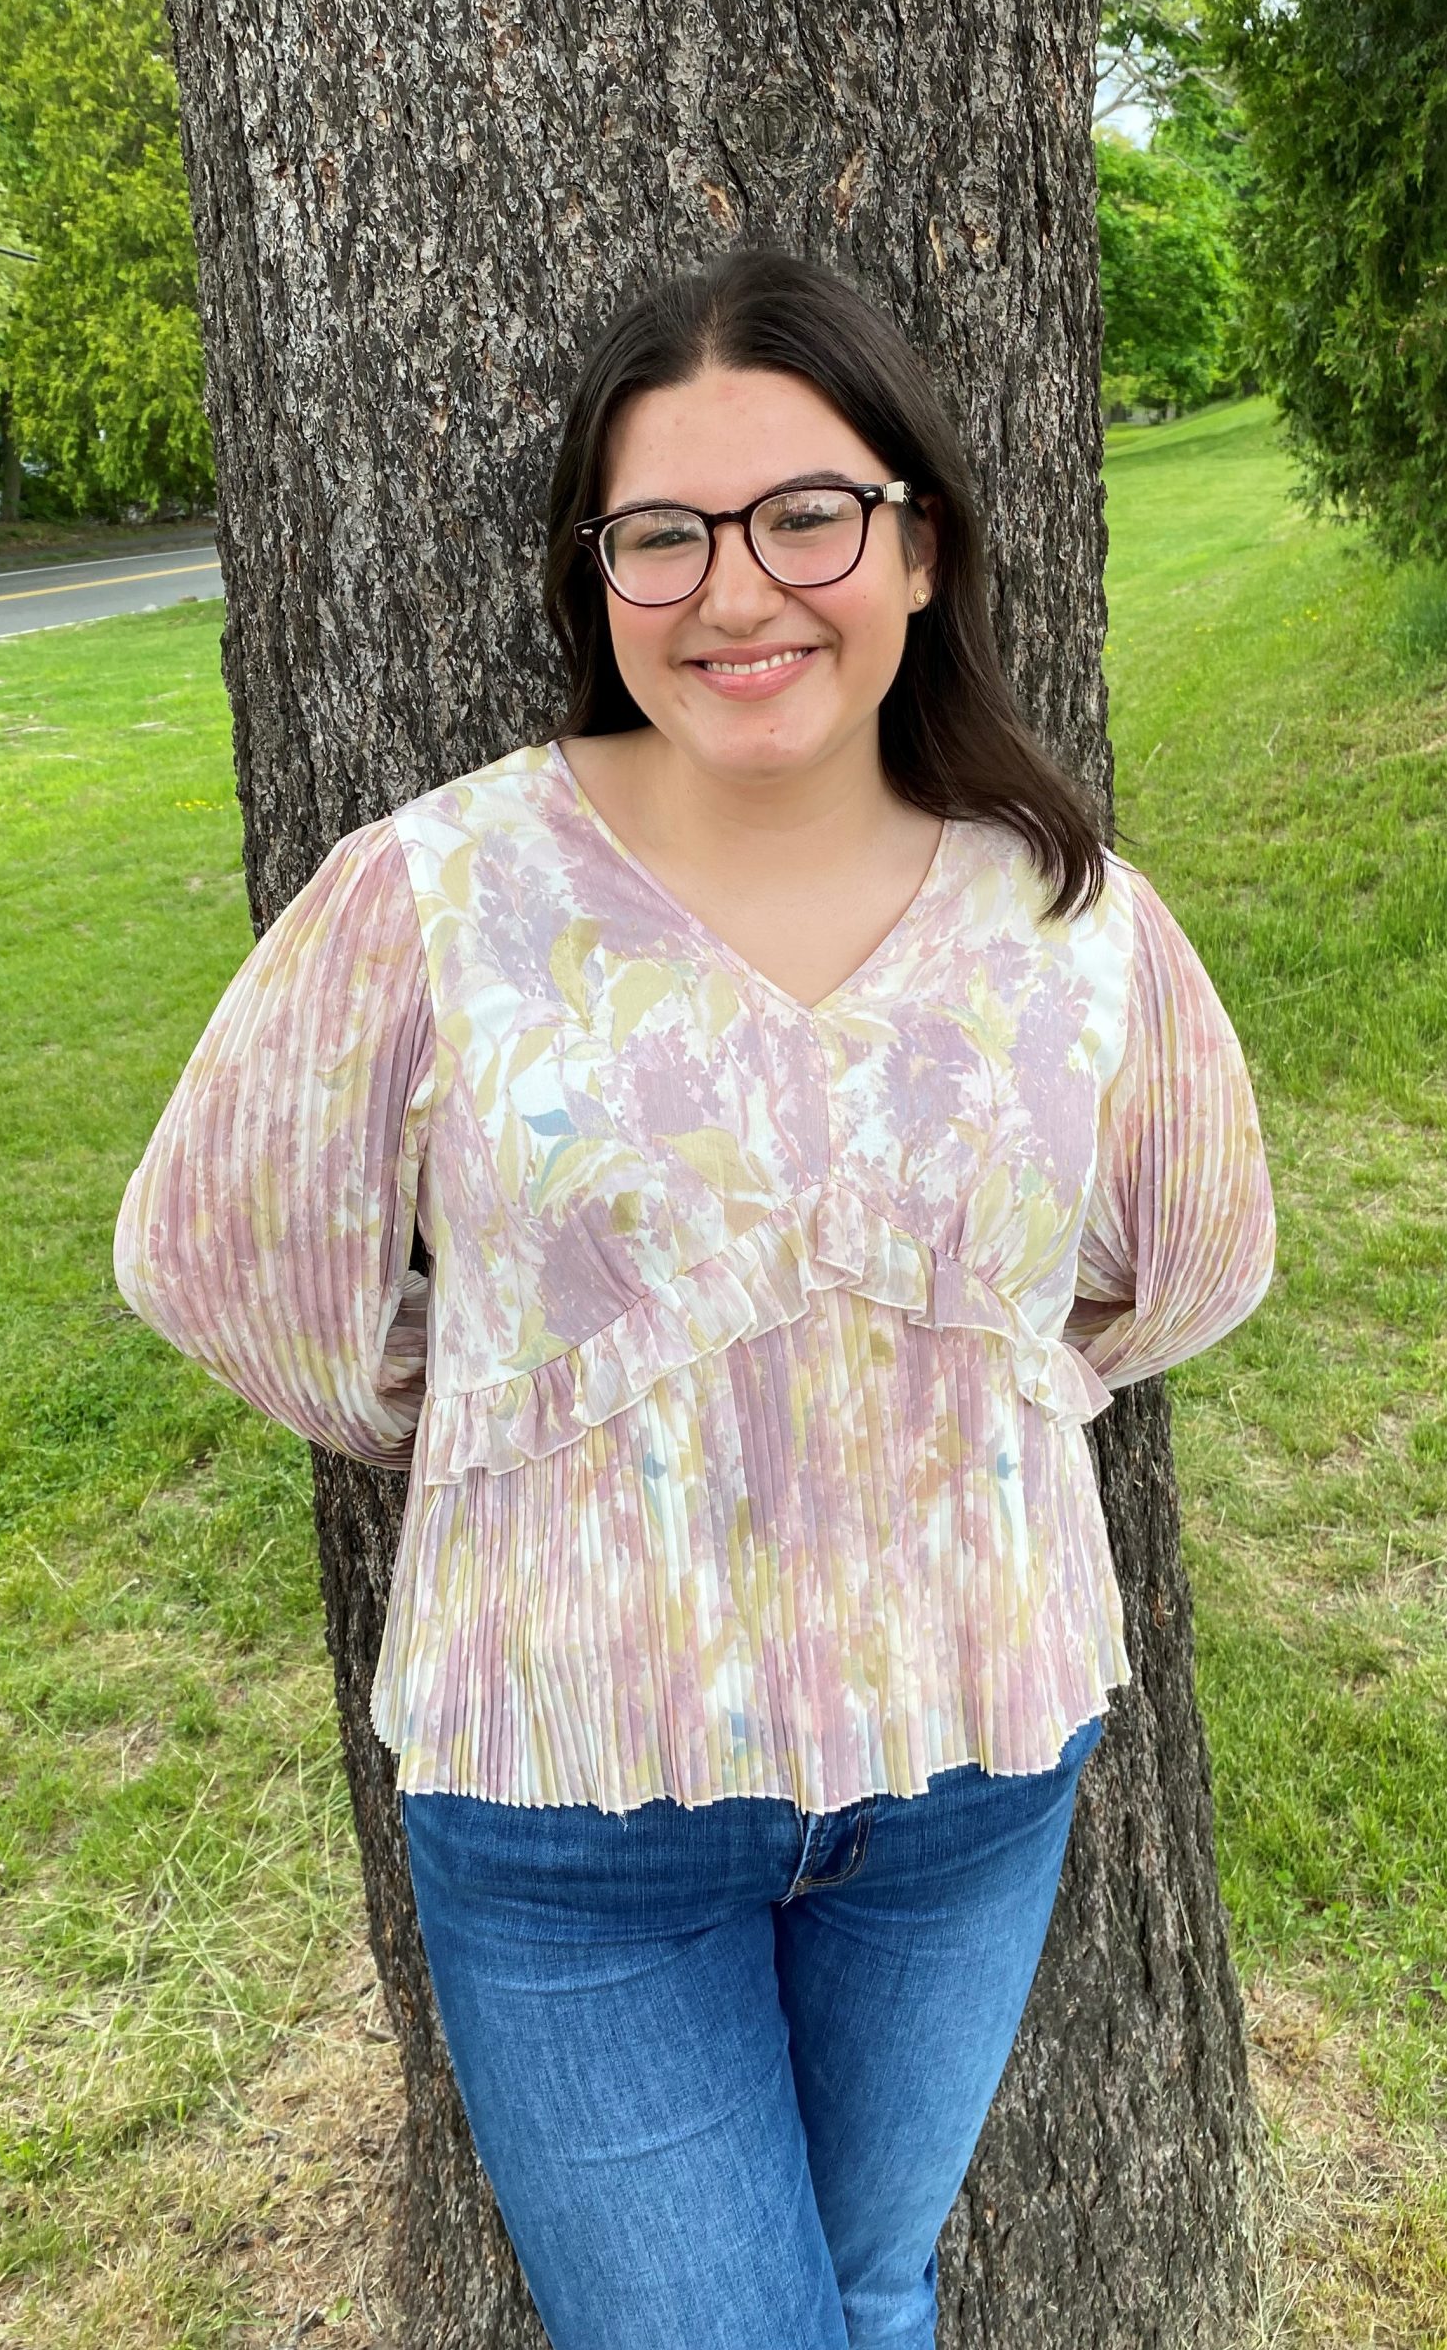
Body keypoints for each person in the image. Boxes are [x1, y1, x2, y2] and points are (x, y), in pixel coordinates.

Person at [114, 245, 1276, 2350]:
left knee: (861, 2283)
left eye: (807, 513)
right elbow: (223, 1252)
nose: (740, 590)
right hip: (574, 1804)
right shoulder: (442, 892)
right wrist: (494, 1405)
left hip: (971, 1759)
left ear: (918, 546)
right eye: (666, 532)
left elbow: (1188, 1261)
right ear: (602, 574)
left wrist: (968, 1367)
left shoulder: (1073, 918)